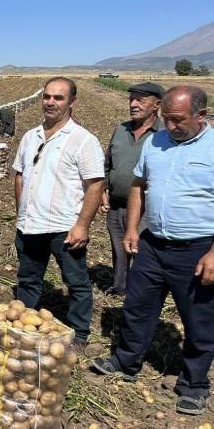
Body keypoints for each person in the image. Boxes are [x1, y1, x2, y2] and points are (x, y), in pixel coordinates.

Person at [92, 86, 214, 415]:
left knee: (199, 320)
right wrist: (132, 229)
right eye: (167, 119)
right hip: (154, 242)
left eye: (178, 120)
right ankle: (126, 361)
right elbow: (138, 186)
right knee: (137, 305)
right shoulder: (156, 142)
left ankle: (194, 385)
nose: (170, 126)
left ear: (201, 116)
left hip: (198, 248)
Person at [12, 77, 104, 347]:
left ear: (72, 102)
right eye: (47, 96)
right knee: (28, 277)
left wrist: (82, 225)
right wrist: (21, 212)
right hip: (30, 224)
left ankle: (80, 333)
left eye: (58, 98)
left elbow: (95, 185)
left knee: (76, 281)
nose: (50, 102)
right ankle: (24, 326)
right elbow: (19, 176)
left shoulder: (83, 140)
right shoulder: (31, 137)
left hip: (64, 226)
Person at [100, 82, 164, 296]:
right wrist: (103, 189)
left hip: (148, 207)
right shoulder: (121, 130)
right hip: (117, 205)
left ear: (157, 105)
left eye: (140, 100)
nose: (133, 104)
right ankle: (120, 288)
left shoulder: (165, 134)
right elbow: (108, 164)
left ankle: (141, 294)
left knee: (141, 250)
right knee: (119, 249)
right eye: (131, 100)